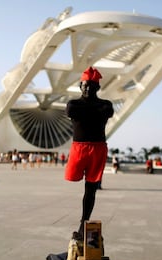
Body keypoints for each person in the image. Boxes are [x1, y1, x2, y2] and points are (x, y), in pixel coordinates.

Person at [64, 66, 114, 240]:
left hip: (97, 148)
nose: (87, 89)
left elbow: (80, 112)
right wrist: (94, 112)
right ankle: (82, 224)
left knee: (91, 188)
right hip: (79, 148)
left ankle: (83, 223)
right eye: (85, 86)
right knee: (73, 178)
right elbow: (73, 111)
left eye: (91, 86)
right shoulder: (75, 105)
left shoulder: (104, 105)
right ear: (80, 86)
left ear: (98, 88)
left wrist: (87, 112)